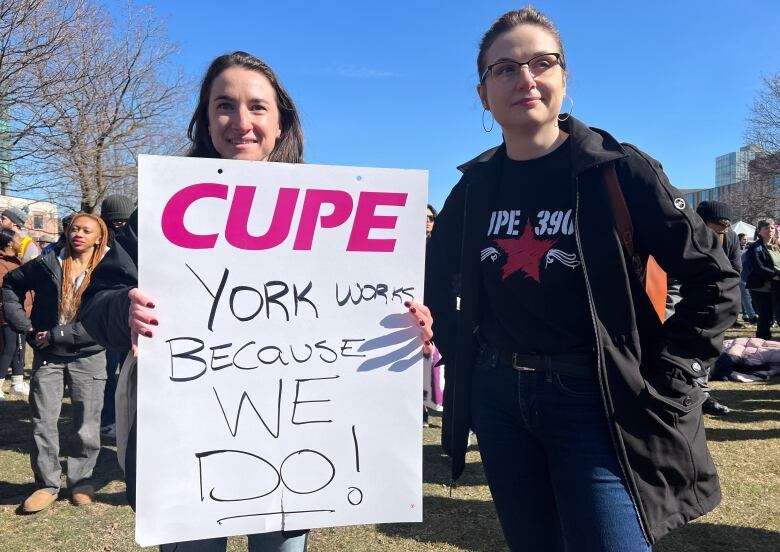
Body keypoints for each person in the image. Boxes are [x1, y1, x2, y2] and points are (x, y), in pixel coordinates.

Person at [416, 7, 738, 551]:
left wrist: (674, 374)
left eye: (542, 62)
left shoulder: (618, 169)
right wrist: (454, 345)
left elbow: (716, 280)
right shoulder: (473, 188)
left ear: (564, 78)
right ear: (483, 94)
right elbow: (428, 279)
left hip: (598, 400)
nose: (525, 79)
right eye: (505, 68)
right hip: (498, 402)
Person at [79, 51, 308, 552]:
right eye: (224, 105)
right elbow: (97, 306)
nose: (241, 122)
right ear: (205, 120)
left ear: (281, 119)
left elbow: (356, 302)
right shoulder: (164, 207)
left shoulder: (323, 209)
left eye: (257, 107)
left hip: (294, 440)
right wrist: (125, 309)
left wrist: (404, 323)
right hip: (187, 441)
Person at [2, 213, 109, 513]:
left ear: (99, 237)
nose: (79, 234)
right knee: (42, 420)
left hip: (89, 354)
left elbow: (108, 314)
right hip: (48, 355)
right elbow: (11, 285)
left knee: (87, 424)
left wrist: (65, 333)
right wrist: (23, 325)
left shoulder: (108, 269)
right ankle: (46, 484)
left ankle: (81, 482)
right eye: (74, 228)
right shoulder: (49, 263)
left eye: (87, 231)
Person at [97, 194, 135, 440]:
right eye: (114, 222)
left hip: (134, 318)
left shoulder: (137, 241)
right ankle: (108, 419)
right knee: (108, 373)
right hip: (110, 317)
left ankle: (126, 420)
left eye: (125, 221)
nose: (120, 226)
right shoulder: (97, 245)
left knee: (129, 373)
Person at [0, 229, 30, 400]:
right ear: (10, 243)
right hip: (7, 312)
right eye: (18, 238)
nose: (21, 241)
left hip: (21, 312)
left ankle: (17, 383)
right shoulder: (2, 263)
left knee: (20, 347)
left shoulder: (18, 260)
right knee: (9, 348)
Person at [745, 219, 780, 340]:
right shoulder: (755, 247)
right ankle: (762, 340)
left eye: (771, 228)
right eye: (766, 228)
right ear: (759, 231)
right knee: (765, 316)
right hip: (761, 286)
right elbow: (758, 267)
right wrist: (774, 275)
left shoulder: (777, 246)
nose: (770, 230)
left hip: (777, 285)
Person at [737, 232, 758, 323]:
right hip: (741, 275)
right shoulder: (737, 250)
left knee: (744, 296)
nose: (746, 241)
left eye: (746, 239)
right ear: (739, 240)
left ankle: (745, 314)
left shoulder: (748, 249)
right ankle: (752, 315)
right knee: (746, 296)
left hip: (748, 275)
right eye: (744, 239)